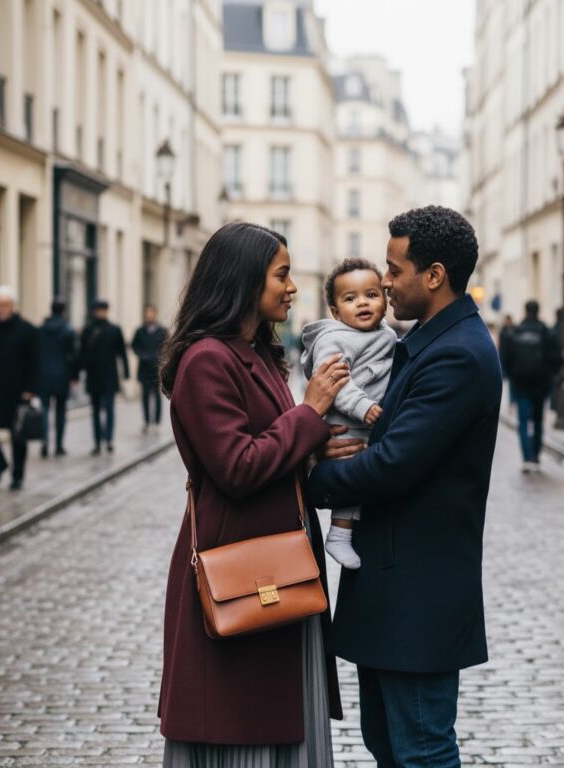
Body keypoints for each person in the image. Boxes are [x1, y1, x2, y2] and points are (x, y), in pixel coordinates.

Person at [307, 206, 503, 767]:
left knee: (420, 750)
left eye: (394, 270)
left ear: (434, 275)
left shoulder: (458, 354)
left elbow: (393, 463)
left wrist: (312, 477)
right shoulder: (427, 342)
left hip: (420, 595)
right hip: (396, 590)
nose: (385, 282)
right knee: (389, 746)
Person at [158, 222, 349, 766]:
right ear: (243, 281)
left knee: (274, 716)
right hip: (240, 565)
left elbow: (275, 445)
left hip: (282, 563)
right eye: (281, 275)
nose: (292, 287)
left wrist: (315, 445)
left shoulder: (258, 353)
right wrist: (309, 413)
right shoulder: (207, 361)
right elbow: (238, 466)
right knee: (242, 724)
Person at [300, 258, 397, 569]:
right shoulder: (334, 339)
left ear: (385, 300)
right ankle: (339, 535)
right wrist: (362, 406)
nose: (363, 303)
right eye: (350, 298)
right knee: (353, 469)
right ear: (335, 311)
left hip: (371, 419)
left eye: (371, 294)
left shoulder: (387, 335)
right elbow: (335, 383)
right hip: (347, 420)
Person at [0, 286, 40, 490]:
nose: (0, 309)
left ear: (13, 306)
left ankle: (17, 475)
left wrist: (31, 388)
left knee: (18, 435)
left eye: (4, 305)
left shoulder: (27, 330)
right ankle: (0, 464)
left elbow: (35, 361)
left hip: (17, 390)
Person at [501, 300, 562, 472]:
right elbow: (557, 358)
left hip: (520, 384)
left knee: (523, 421)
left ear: (525, 311)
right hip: (541, 384)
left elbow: (505, 358)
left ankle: (526, 457)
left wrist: (512, 375)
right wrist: (550, 374)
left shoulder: (515, 332)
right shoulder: (546, 333)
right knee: (538, 420)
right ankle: (536, 456)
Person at [79, 300, 129, 455]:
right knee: (95, 410)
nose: (101, 313)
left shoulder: (114, 329)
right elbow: (82, 352)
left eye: (103, 310)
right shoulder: (88, 329)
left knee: (109, 408)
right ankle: (97, 441)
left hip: (109, 375)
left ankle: (108, 439)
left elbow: (122, 352)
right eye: (99, 310)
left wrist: (126, 372)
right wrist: (78, 372)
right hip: (93, 375)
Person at [38, 298, 78, 457]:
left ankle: (45, 441)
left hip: (43, 375)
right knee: (60, 411)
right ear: (63, 311)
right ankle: (59, 445)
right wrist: (74, 376)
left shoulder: (41, 330)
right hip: (62, 374)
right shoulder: (68, 330)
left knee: (44, 409)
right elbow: (74, 356)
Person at [131, 304, 167, 433]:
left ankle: (157, 422)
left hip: (157, 368)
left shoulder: (162, 331)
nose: (149, 315)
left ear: (155, 314)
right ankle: (146, 421)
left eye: (151, 312)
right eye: (147, 313)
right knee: (145, 396)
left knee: (157, 396)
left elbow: (167, 346)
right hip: (144, 368)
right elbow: (134, 345)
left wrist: (159, 356)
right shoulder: (140, 331)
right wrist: (142, 354)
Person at [498, 313, 517, 409]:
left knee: (513, 385)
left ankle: (512, 403)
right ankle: (511, 403)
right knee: (511, 385)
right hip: (510, 362)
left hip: (511, 362)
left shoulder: (509, 331)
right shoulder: (510, 330)